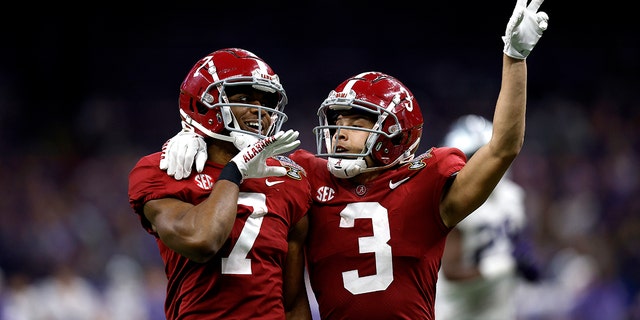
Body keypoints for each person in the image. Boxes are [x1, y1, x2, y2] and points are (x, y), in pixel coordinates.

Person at [159, 0, 549, 318]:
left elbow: (502, 147)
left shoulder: (428, 183)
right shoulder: (309, 176)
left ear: (397, 131)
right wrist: (194, 133)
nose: (340, 131)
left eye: (359, 120)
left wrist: (514, 58)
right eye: (337, 119)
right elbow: (247, 154)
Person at [128, 48, 314, 320]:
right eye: (244, 98)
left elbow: (293, 301)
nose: (259, 110)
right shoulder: (167, 169)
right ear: (204, 104)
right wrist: (235, 170)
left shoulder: (290, 180)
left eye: (267, 102)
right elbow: (202, 240)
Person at [434, 114, 540, 320]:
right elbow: (451, 272)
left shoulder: (512, 196)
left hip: (499, 306)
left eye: (485, 156)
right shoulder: (453, 203)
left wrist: (525, 258)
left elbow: (515, 243)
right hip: (459, 309)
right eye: (473, 158)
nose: (481, 166)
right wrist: (506, 265)